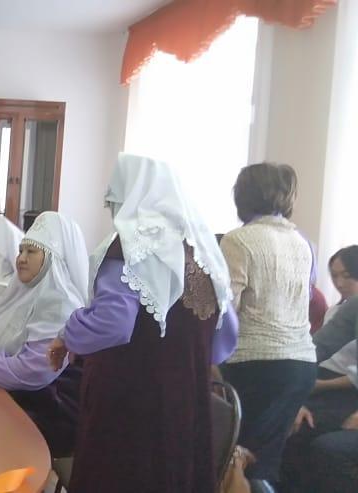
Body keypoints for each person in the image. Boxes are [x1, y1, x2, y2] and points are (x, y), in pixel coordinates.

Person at [50, 153, 238, 492]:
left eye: (114, 202)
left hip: (130, 403)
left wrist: (69, 332)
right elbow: (225, 339)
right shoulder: (205, 255)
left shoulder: (130, 248)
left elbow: (112, 322)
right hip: (186, 399)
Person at [0, 211, 88, 458]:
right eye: (20, 251)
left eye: (31, 252)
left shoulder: (60, 303)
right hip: (17, 398)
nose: (21, 259)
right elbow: (5, 334)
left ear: (52, 257)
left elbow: (35, 370)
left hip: (47, 412)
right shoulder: (25, 292)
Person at [219, 163, 318, 488]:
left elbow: (226, 307)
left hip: (255, 362)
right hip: (300, 364)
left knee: (239, 459)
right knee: (265, 460)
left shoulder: (238, 240)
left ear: (242, 195)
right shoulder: (303, 243)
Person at [282, 245, 358, 492]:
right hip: (322, 381)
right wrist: (298, 395)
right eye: (334, 275)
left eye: (347, 275)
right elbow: (314, 350)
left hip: (344, 390)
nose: (339, 283)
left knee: (320, 443)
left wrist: (318, 386)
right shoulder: (344, 309)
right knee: (286, 420)